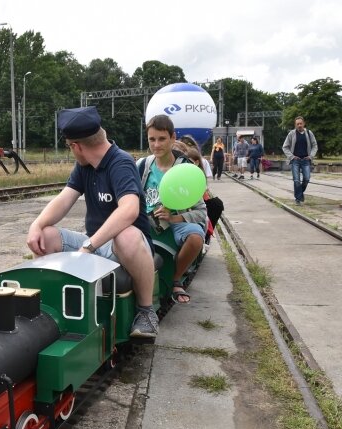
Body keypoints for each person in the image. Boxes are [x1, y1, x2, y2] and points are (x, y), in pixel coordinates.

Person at [26, 106, 158, 338]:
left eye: (69, 147)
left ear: (76, 146)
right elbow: (64, 199)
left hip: (124, 249)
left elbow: (129, 210)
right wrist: (36, 225)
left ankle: (146, 312)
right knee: (46, 236)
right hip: (95, 243)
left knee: (125, 235)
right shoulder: (84, 166)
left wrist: (89, 247)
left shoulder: (121, 162)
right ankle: (48, 310)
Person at [137, 115, 207, 304]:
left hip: (174, 223)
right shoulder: (143, 166)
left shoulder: (185, 169)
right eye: (152, 139)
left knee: (196, 237)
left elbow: (202, 212)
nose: (157, 144)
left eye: (162, 139)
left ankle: (175, 278)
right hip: (145, 222)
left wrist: (174, 218)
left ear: (173, 138)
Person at [282, 116, 318, 205]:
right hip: (295, 160)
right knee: (296, 180)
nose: (299, 125)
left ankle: (299, 194)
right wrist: (292, 157)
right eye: (297, 124)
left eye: (300, 123)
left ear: (304, 123)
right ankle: (298, 199)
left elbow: (315, 145)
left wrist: (311, 156)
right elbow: (285, 147)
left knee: (306, 178)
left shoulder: (309, 133)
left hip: (306, 160)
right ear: (295, 125)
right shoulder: (291, 134)